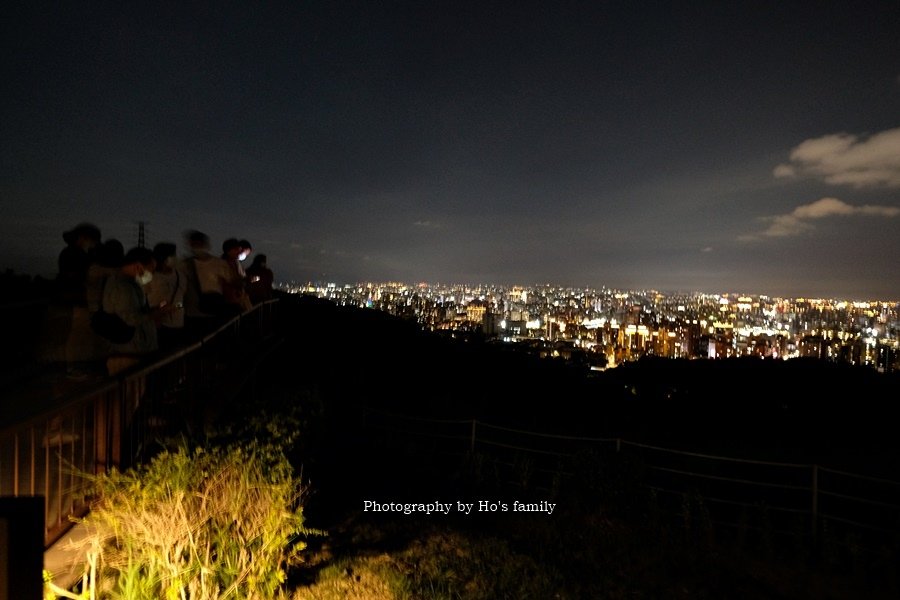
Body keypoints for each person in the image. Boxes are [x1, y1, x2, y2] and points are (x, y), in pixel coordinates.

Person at [102, 247, 172, 376]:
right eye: (151, 269)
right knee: (130, 390)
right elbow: (131, 319)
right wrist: (157, 313)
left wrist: (155, 310)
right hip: (129, 350)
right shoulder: (122, 286)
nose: (152, 273)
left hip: (136, 348)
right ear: (138, 265)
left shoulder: (129, 282)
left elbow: (135, 311)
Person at [56, 223, 102, 378]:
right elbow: (74, 276)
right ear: (83, 238)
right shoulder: (73, 254)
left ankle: (75, 366)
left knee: (78, 335)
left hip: (76, 300)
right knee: (77, 335)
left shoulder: (73, 253)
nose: (93, 244)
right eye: (93, 240)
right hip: (77, 301)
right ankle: (73, 367)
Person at [181, 230, 238, 338]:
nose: (196, 248)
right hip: (199, 312)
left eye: (197, 244)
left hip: (204, 312)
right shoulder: (185, 265)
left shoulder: (185, 264)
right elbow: (234, 281)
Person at [144, 242, 186, 351]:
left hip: (177, 324)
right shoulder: (149, 277)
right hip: (156, 324)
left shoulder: (180, 276)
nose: (175, 258)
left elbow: (182, 300)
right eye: (173, 255)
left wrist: (175, 306)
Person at [221, 237, 252, 312]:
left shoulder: (235, 263)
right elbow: (229, 281)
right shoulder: (222, 264)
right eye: (237, 250)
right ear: (229, 251)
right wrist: (244, 280)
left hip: (237, 299)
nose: (239, 252)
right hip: (230, 300)